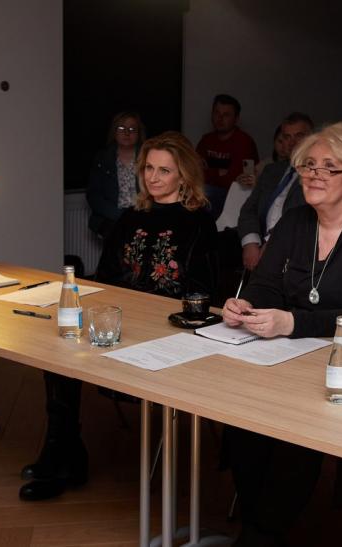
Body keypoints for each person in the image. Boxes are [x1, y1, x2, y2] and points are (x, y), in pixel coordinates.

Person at [221, 122, 342, 546]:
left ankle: (264, 533)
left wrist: (291, 323)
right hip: (300, 349)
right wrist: (245, 303)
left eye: (329, 167)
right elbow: (266, 284)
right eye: (309, 165)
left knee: (296, 429)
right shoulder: (295, 221)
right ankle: (255, 520)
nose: (313, 174)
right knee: (241, 418)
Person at [20, 132, 217, 502]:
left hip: (166, 329)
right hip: (120, 320)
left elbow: (201, 289)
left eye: (164, 170)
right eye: (148, 168)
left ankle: (65, 454)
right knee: (58, 352)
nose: (153, 177)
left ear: (184, 176)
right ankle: (63, 447)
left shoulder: (198, 222)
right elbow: (106, 275)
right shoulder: (131, 216)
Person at [236, 112, 314, 271]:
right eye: (286, 137)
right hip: (260, 244)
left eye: (299, 136)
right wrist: (250, 242)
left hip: (294, 250)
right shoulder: (271, 171)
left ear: (312, 138)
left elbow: (307, 218)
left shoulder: (317, 175)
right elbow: (249, 210)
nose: (292, 142)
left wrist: (275, 243)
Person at [195, 94, 259, 216]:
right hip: (207, 192)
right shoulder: (206, 140)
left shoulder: (244, 142)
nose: (220, 118)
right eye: (217, 113)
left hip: (233, 196)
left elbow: (236, 181)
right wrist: (219, 172)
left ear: (236, 119)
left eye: (226, 115)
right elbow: (194, 172)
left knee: (202, 193)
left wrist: (209, 170)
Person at [86, 111, 145, 239]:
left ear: (139, 133)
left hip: (142, 216)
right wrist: (119, 215)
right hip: (112, 218)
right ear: (114, 131)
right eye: (122, 128)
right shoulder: (103, 158)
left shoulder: (148, 158)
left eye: (132, 129)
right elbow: (94, 196)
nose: (127, 133)